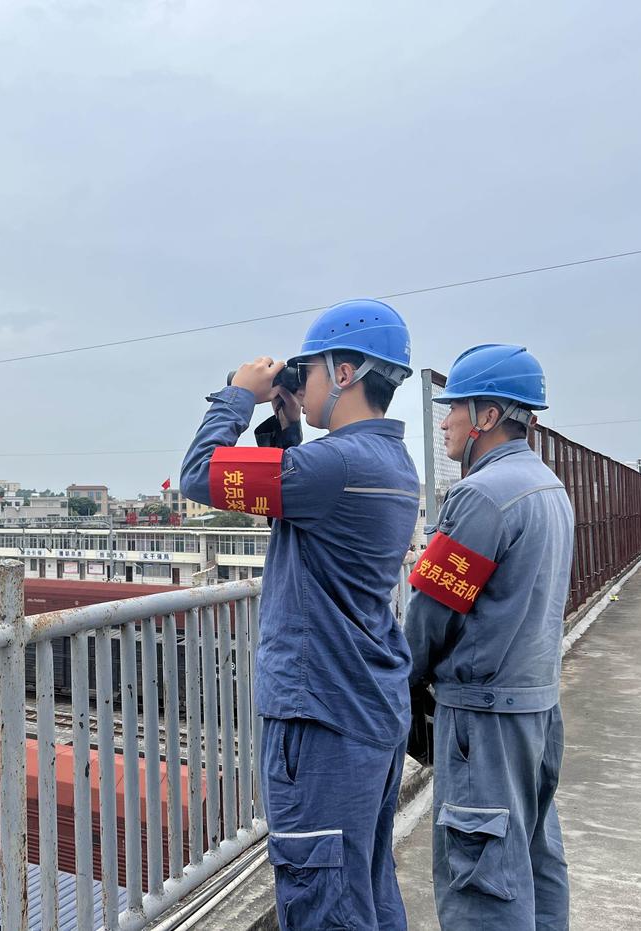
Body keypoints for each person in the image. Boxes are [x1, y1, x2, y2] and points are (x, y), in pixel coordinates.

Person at [180, 298, 420, 930]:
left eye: (308, 373)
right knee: (365, 886)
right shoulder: (387, 461)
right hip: (366, 708)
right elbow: (286, 497)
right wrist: (285, 424)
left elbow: (202, 476)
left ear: (344, 373)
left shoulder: (337, 464)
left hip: (322, 717)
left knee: (323, 903)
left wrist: (236, 395)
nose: (301, 385)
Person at [405, 344, 573, 930]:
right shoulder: (548, 487)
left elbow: (431, 610)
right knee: (532, 863)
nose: (446, 420)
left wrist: (404, 677)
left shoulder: (480, 496)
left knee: (482, 887)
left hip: (483, 721)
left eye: (456, 408)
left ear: (489, 415)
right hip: (537, 711)